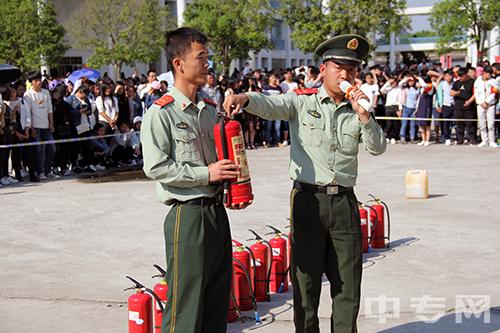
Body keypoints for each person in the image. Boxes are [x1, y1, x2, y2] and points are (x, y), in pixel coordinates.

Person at [223, 34, 386, 333]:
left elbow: (377, 148)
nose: (346, 74)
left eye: (352, 68)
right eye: (339, 67)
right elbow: (271, 105)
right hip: (307, 201)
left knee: (347, 285)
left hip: (344, 203)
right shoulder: (303, 100)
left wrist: (365, 115)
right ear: (323, 69)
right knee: (306, 284)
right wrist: (244, 99)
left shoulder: (357, 109)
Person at [141, 27, 248, 333]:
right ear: (178, 64)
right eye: (201, 57)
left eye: (207, 57)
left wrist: (231, 184)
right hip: (187, 216)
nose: (207, 64)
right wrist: (207, 174)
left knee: (216, 303)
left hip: (216, 212)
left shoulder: (211, 112)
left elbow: (222, 159)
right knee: (186, 309)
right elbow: (156, 166)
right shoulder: (161, 113)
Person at [24, 70, 55, 180]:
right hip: (35, 127)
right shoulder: (28, 95)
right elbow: (28, 112)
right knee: (39, 150)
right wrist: (31, 127)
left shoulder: (46, 92)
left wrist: (51, 123)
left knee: (52, 148)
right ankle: (40, 171)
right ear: (31, 82)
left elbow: (50, 109)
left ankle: (48, 170)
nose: (39, 82)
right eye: (36, 81)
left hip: (46, 126)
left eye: (39, 80)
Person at [473, 66, 497, 147]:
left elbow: (494, 93)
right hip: (480, 105)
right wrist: (481, 102)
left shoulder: (493, 81)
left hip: (490, 105)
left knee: (491, 124)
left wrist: (487, 102)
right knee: (482, 124)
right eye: (488, 74)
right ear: (484, 73)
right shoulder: (478, 81)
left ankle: (492, 140)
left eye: (491, 74)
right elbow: (476, 93)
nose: (489, 75)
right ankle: (484, 140)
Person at [451, 67, 476, 145]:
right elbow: (451, 92)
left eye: (461, 76)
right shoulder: (457, 83)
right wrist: (455, 93)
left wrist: (469, 101)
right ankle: (460, 139)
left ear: (466, 75)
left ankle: (472, 139)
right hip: (458, 106)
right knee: (459, 124)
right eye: (459, 76)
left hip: (469, 106)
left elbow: (475, 94)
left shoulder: (472, 82)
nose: (460, 78)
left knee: (470, 124)